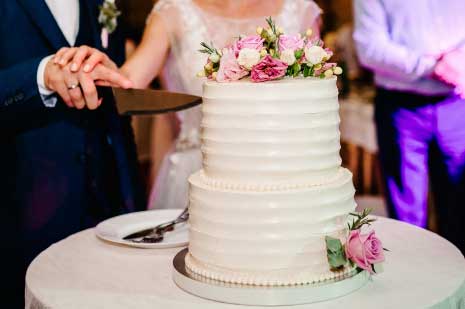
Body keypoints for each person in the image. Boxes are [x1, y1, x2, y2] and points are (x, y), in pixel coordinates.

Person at [56, 0, 323, 210]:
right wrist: (99, 70)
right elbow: (126, 84)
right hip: (198, 175)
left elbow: (318, 109)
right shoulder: (173, 13)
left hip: (285, 178)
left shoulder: (299, 11)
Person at [0, 1, 145, 306]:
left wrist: (131, 201)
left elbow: (114, 108)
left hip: (103, 211)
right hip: (19, 210)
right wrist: (40, 75)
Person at [353, 0, 465, 254]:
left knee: (460, 206)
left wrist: (457, 63)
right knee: (407, 217)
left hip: (457, 103)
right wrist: (432, 67)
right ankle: (415, 287)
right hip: (402, 109)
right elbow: (369, 47)